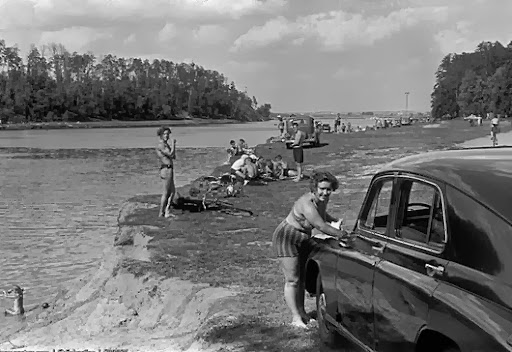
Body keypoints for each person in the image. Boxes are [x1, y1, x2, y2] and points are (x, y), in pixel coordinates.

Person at [272, 171, 355, 328]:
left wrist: (334, 220)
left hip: (303, 238)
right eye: (322, 189)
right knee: (292, 279)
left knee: (302, 277)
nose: (325, 192)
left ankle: (302, 312)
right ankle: (295, 318)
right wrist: (343, 235)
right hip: (287, 237)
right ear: (314, 188)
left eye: (328, 189)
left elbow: (323, 216)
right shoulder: (307, 203)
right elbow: (320, 226)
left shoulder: (322, 200)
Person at [156, 126, 176, 218]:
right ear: (161, 135)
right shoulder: (161, 145)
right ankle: (161, 213)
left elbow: (173, 156)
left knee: (172, 191)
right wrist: (174, 144)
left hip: (169, 168)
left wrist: (172, 146)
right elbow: (170, 154)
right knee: (166, 192)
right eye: (165, 134)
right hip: (166, 169)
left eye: (168, 134)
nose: (167, 136)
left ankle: (167, 211)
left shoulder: (166, 144)